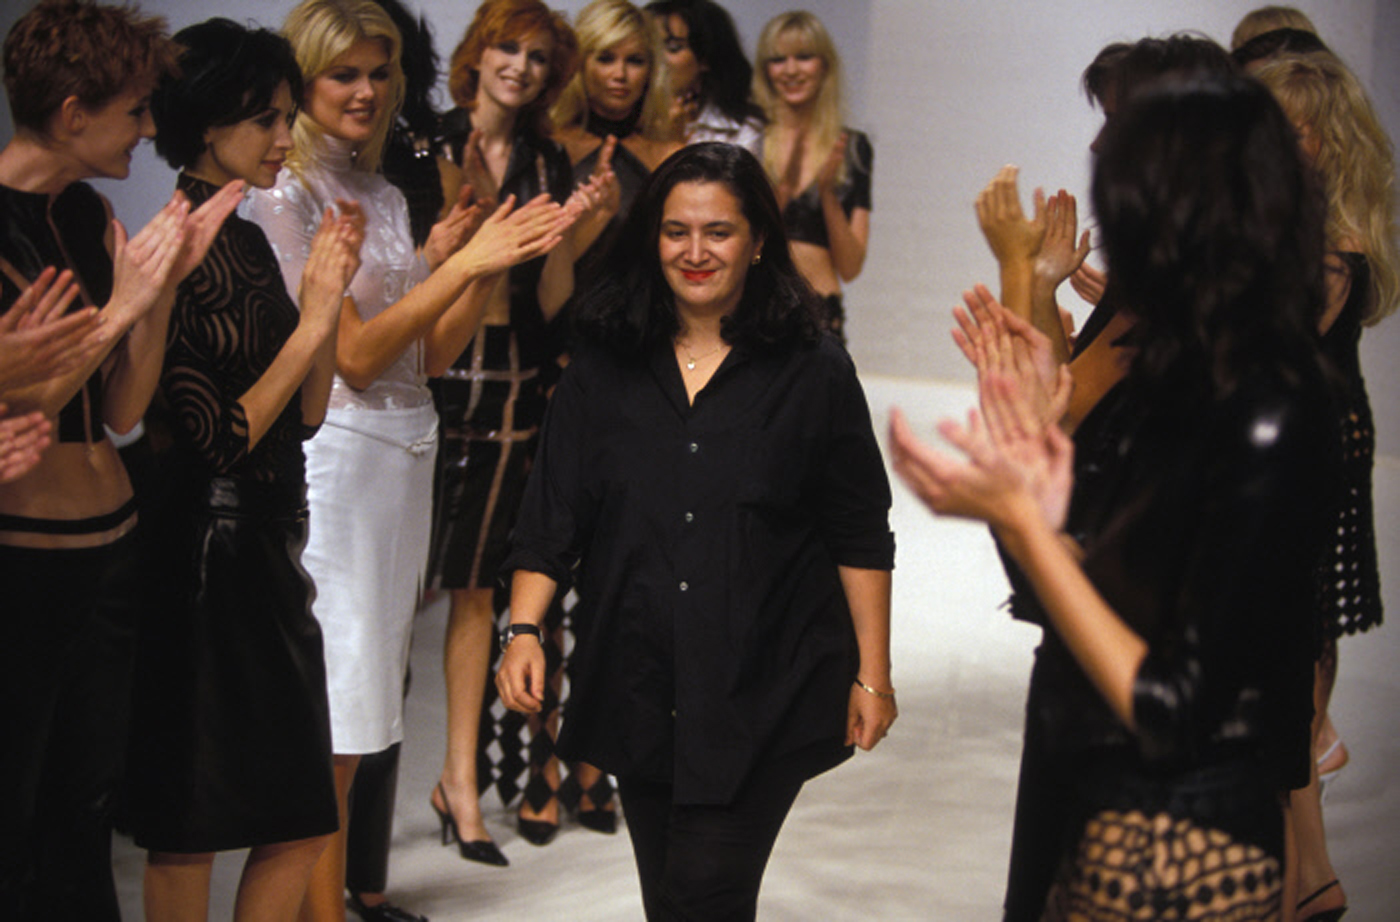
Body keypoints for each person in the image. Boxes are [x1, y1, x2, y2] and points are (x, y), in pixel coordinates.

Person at [891, 72, 1337, 921]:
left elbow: (1173, 708)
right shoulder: (1179, 376)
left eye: (1125, 202)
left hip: (1179, 850)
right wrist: (1030, 475)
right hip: (1097, 799)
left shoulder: (1271, 407)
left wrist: (1025, 519)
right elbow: (1060, 601)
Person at [496, 142, 897, 921]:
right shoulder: (604, 365)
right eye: (676, 231)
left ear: (758, 240)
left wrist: (873, 673)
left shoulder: (814, 370)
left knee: (702, 894)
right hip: (640, 678)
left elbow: (859, 531)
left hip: (764, 684)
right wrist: (524, 629)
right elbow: (552, 513)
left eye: (719, 231)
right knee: (671, 899)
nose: (695, 252)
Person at [243, 0, 576, 916]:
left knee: (368, 706)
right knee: (338, 713)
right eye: (342, 73)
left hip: (405, 454)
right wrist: (459, 268)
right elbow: (350, 356)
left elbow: (428, 356)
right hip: (338, 463)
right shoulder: (287, 194)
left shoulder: (384, 194)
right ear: (303, 80)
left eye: (379, 72)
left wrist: (475, 263)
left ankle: (332, 904)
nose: (366, 90)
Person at [0, 1, 243, 915]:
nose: (147, 129)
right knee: (17, 814)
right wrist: (123, 307)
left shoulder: (89, 214)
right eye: (135, 110)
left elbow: (122, 412)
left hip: (110, 549)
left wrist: (162, 290)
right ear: (73, 114)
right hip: (25, 562)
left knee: (87, 809)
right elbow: (23, 406)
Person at [131, 19, 363, 920]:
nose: (282, 137)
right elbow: (217, 438)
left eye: (284, 116)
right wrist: (312, 324)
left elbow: (305, 416)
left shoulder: (251, 240)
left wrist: (324, 305)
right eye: (265, 118)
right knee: (189, 825)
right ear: (208, 121)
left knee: (300, 818)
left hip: (269, 539)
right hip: (205, 551)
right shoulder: (175, 242)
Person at [429, 0, 595, 859]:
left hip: (510, 381)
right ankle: (350, 792)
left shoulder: (545, 159)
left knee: (475, 588)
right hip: (422, 376)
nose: (520, 68)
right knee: (397, 594)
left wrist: (571, 230)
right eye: (508, 48)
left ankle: (459, 780)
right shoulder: (424, 140)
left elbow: (555, 297)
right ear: (478, 51)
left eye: (537, 57)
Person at [1255, 51, 1398, 922]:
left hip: (1298, 463)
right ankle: (1306, 872)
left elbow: (1267, 353)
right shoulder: (1310, 233)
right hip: (1298, 452)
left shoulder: (1328, 247)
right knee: (1283, 662)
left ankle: (1301, 877)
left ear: (1318, 139)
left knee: (1282, 662)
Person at [752, 11, 870, 343]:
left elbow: (850, 267)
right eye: (778, 59)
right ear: (765, 70)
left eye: (803, 57)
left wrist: (828, 194)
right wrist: (780, 195)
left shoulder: (852, 148)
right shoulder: (752, 142)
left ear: (825, 65)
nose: (791, 70)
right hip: (755, 309)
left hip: (821, 316)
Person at [553, 0, 680, 266]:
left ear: (651, 71)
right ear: (580, 64)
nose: (620, 74)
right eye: (606, 58)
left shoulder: (672, 157)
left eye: (635, 61)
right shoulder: (550, 147)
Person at [644, 0, 764, 156]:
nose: (657, 58)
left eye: (673, 48)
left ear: (705, 58)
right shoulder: (626, 117)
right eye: (650, 47)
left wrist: (674, 143)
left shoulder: (738, 129)